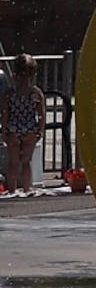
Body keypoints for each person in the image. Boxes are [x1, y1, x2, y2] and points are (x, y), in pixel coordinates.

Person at [2, 54, 45, 194]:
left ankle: (13, 190)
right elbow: (41, 114)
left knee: (13, 163)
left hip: (13, 128)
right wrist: (40, 130)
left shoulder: (10, 93)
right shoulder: (36, 93)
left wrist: (4, 131)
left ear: (15, 72)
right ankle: (27, 189)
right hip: (30, 128)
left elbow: (5, 113)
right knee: (26, 162)